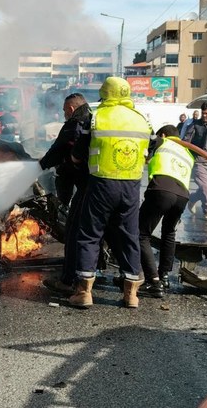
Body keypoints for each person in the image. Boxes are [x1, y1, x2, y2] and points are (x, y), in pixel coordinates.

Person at [69, 77, 154, 309]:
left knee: (89, 234)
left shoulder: (96, 118)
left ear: (106, 93)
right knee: (129, 236)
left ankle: (84, 293)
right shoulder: (142, 119)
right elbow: (151, 150)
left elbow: (77, 154)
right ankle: (131, 296)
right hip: (131, 186)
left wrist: (79, 161)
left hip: (101, 185)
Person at [38, 92, 92, 295]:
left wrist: (41, 165)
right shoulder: (95, 119)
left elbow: (58, 150)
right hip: (113, 186)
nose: (63, 115)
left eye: (64, 111)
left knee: (74, 232)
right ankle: (129, 281)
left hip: (87, 186)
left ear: (70, 109)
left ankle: (70, 281)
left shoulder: (74, 122)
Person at [137, 125, 193, 298]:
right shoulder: (187, 152)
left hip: (162, 191)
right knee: (169, 232)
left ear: (163, 134)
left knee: (141, 234)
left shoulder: (163, 141)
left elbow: (147, 140)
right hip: (182, 196)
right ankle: (164, 276)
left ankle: (153, 281)